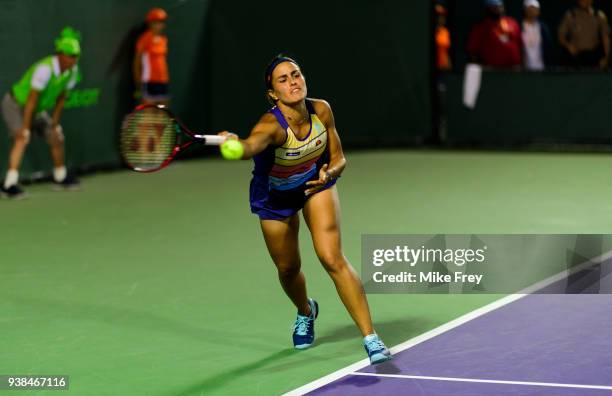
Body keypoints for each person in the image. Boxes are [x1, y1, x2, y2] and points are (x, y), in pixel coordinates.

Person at [217, 56, 392, 365]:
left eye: (296, 74)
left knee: (331, 257)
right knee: (287, 268)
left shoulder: (321, 110)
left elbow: (339, 158)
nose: (293, 82)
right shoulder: (270, 126)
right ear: (273, 93)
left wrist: (331, 173)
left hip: (315, 186)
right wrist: (235, 143)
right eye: (283, 79)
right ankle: (306, 311)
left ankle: (371, 337)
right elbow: (249, 146)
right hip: (275, 199)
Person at [1, 27, 81, 199]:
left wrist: (55, 123)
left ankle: (60, 177)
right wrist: (25, 127)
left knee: (56, 137)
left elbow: (61, 98)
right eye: (71, 56)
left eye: (76, 56)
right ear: (60, 54)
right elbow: (31, 99)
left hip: (35, 108)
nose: (74, 60)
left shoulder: (72, 72)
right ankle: (9, 184)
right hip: (15, 104)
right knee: (22, 138)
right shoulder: (45, 69)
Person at [467, 0, 522, 68]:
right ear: (488, 9)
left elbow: (520, 44)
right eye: (494, 7)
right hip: (491, 70)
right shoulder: (481, 27)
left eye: (499, 6)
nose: (498, 9)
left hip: (513, 68)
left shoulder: (512, 23)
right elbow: (472, 51)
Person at [558, 0, 610, 69]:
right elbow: (561, 35)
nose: (584, 1)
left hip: (594, 56)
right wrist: (568, 45)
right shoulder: (571, 15)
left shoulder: (599, 15)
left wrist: (606, 57)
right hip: (576, 56)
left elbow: (606, 37)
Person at [133, 8, 170, 105]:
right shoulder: (144, 39)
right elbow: (137, 62)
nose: (159, 25)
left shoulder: (163, 39)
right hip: (149, 82)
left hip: (163, 81)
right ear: (150, 23)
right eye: (155, 22)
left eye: (161, 22)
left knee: (163, 114)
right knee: (148, 113)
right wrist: (138, 83)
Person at [521, 0, 553, 71]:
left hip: (541, 68)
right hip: (524, 70)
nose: (532, 11)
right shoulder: (519, 27)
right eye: (529, 9)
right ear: (525, 10)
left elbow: (548, 48)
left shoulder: (543, 28)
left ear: (538, 11)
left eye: (534, 9)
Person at [435, 2, 452, 71]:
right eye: (438, 15)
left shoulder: (445, 32)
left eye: (442, 15)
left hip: (443, 69)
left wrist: (449, 67)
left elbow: (446, 52)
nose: (440, 17)